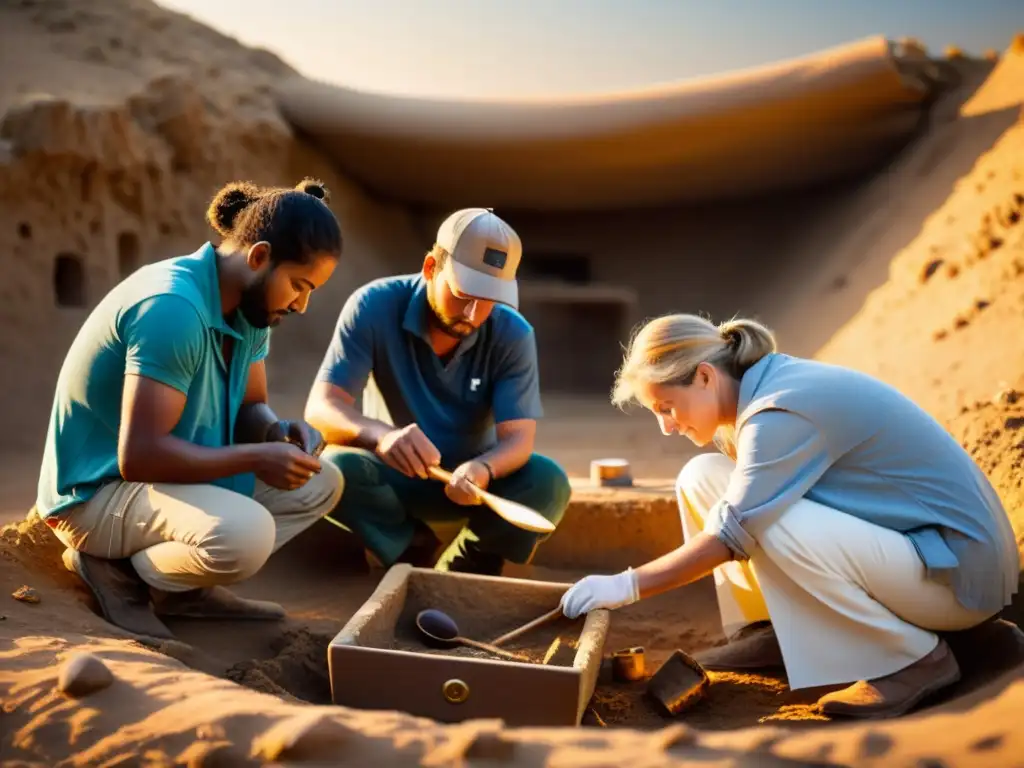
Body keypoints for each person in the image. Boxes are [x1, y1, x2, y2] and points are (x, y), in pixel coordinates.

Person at [558, 312, 1018, 719]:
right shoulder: (766, 386)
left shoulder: (778, 412)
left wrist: (625, 586)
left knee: (766, 522)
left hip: (957, 579)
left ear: (703, 377)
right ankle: (773, 628)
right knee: (703, 476)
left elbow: (729, 536)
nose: (666, 425)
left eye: (666, 407)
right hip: (920, 556)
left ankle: (912, 661)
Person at [36, 178, 346, 640]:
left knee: (322, 481)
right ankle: (117, 573)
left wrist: (276, 433)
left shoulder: (250, 304)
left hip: (159, 479)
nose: (301, 304)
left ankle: (185, 587)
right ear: (259, 257)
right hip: (95, 496)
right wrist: (258, 458)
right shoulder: (173, 308)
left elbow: (251, 406)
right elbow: (138, 455)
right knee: (247, 535)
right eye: (299, 285)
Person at [304, 207, 571, 575]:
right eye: (464, 294)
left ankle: (468, 562)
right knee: (331, 468)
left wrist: (483, 468)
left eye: (489, 298)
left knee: (548, 482)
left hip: (475, 486)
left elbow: (519, 439)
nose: (473, 313)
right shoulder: (373, 305)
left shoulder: (513, 333)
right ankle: (410, 549)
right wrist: (383, 437)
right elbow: (321, 407)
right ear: (431, 267)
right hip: (392, 477)